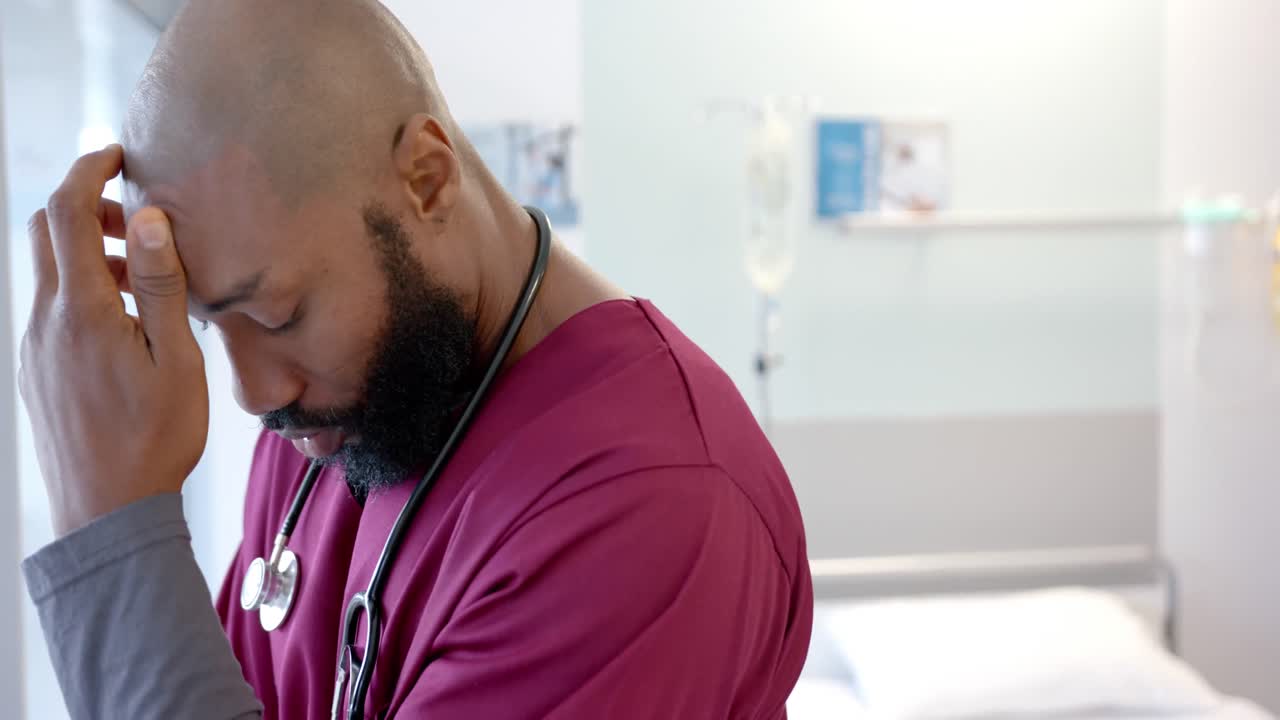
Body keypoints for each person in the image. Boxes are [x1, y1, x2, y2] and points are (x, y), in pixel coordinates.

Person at [17, 0, 813, 717]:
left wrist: (111, 527)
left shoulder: (649, 503)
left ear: (427, 180)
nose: (256, 393)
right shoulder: (339, 422)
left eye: (280, 314)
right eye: (211, 325)